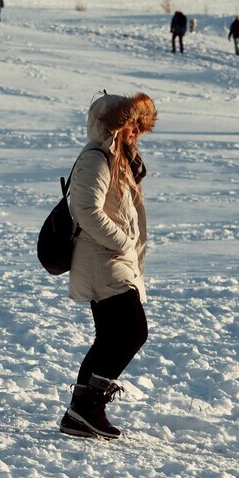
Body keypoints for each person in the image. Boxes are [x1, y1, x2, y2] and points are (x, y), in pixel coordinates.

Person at [60, 91, 157, 439]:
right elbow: (87, 209)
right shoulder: (96, 160)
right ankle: (88, 408)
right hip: (104, 260)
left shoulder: (118, 159)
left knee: (110, 337)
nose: (135, 131)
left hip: (113, 260)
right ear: (112, 126)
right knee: (132, 332)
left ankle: (79, 413)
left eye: (138, 125)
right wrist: (122, 241)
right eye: (130, 124)